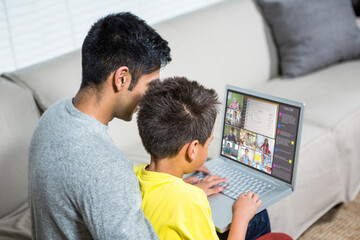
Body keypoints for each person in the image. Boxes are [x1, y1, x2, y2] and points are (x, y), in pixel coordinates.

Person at [28, 13, 221, 239]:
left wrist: (175, 195)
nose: (153, 96)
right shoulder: (106, 169)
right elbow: (103, 183)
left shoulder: (54, 115)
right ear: (122, 78)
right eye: (150, 85)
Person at [135, 77, 270, 240]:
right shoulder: (190, 201)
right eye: (209, 142)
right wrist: (240, 217)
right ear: (192, 150)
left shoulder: (134, 175)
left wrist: (183, 189)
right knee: (259, 217)